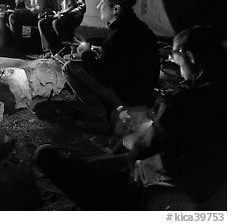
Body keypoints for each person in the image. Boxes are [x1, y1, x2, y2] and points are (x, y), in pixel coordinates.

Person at [34, 25, 226, 210]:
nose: (174, 62)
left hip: (163, 192)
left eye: (175, 58)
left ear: (190, 57)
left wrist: (101, 160)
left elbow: (139, 150)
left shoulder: (184, 102)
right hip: (210, 187)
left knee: (46, 154)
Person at [49, 0, 160, 134]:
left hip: (130, 97)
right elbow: (122, 56)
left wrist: (86, 54)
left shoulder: (118, 37)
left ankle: (98, 119)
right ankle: (105, 107)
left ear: (116, 9)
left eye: (103, 3)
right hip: (143, 91)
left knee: (70, 67)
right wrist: (99, 48)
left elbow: (103, 77)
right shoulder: (137, 27)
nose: (98, 6)